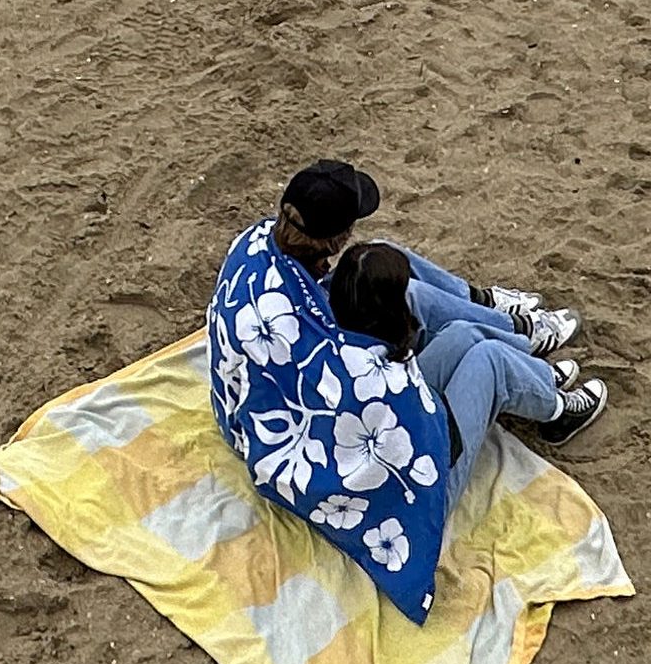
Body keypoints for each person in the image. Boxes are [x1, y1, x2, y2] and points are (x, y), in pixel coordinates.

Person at [203, 160, 604, 622]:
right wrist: (411, 355)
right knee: (481, 358)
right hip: (392, 487)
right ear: (335, 240)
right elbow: (415, 432)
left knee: (394, 274)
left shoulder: (254, 242)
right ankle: (553, 407)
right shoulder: (368, 372)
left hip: (253, 414)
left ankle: (521, 343)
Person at [332, 243, 607, 459]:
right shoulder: (388, 378)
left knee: (461, 333)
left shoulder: (346, 349)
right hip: (428, 477)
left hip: (396, 430)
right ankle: (558, 415)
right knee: (490, 359)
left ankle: (533, 373)